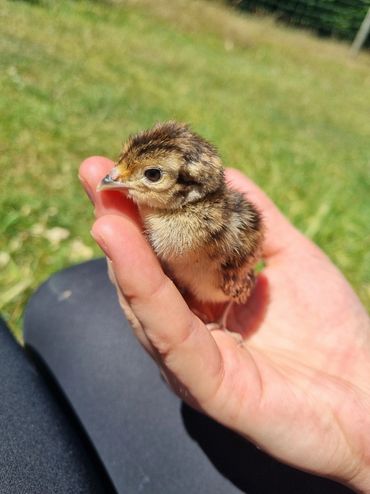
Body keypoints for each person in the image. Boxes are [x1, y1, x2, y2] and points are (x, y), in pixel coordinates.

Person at [80, 156, 370, 493]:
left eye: (153, 175)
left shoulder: (213, 235)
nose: (115, 176)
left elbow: (234, 277)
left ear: (189, 190)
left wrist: (222, 315)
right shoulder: (168, 220)